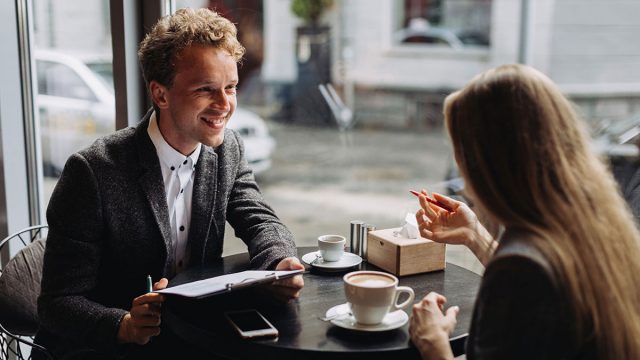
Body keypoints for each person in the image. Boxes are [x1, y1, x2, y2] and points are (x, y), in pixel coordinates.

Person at [35, 8, 304, 359]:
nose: (224, 104)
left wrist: (279, 261)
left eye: (231, 87)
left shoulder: (229, 150)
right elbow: (56, 304)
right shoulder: (91, 172)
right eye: (206, 89)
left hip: (188, 335)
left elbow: (260, 219)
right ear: (161, 95)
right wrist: (124, 324)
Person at [409, 64, 640, 359]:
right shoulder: (598, 225)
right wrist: (475, 235)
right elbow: (539, 297)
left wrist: (433, 343)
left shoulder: (518, 270)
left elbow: (526, 280)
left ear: (487, 166)